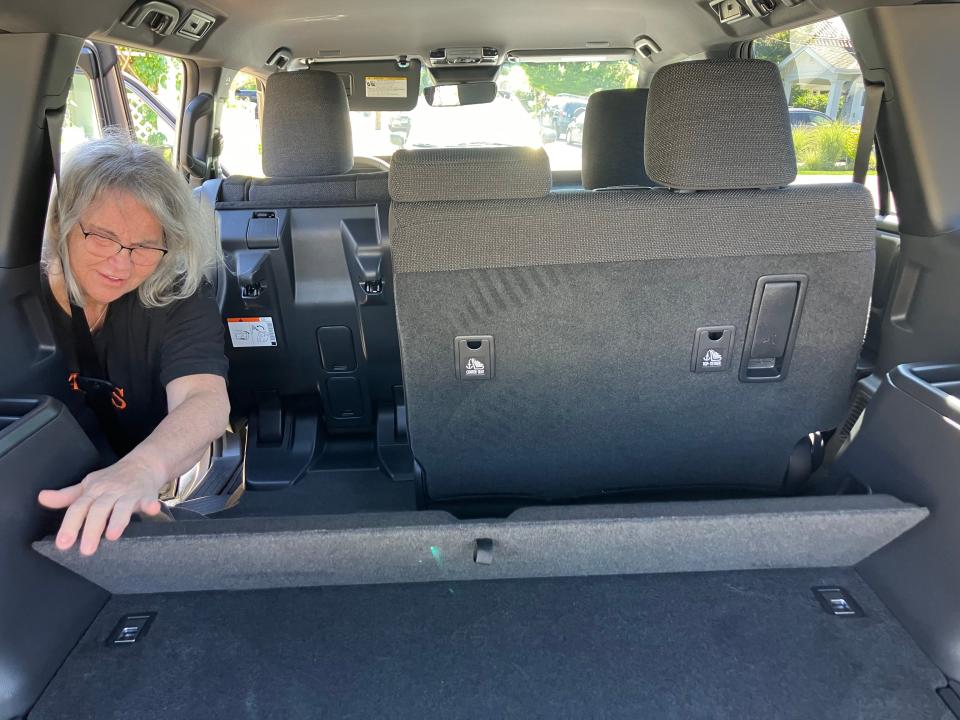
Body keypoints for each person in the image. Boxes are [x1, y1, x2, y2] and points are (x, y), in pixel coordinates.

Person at [36, 134, 230, 556]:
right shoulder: (18, 298)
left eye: (144, 246)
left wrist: (142, 469)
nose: (121, 264)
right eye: (102, 237)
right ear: (59, 224)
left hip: (129, 495)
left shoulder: (176, 298)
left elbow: (204, 397)